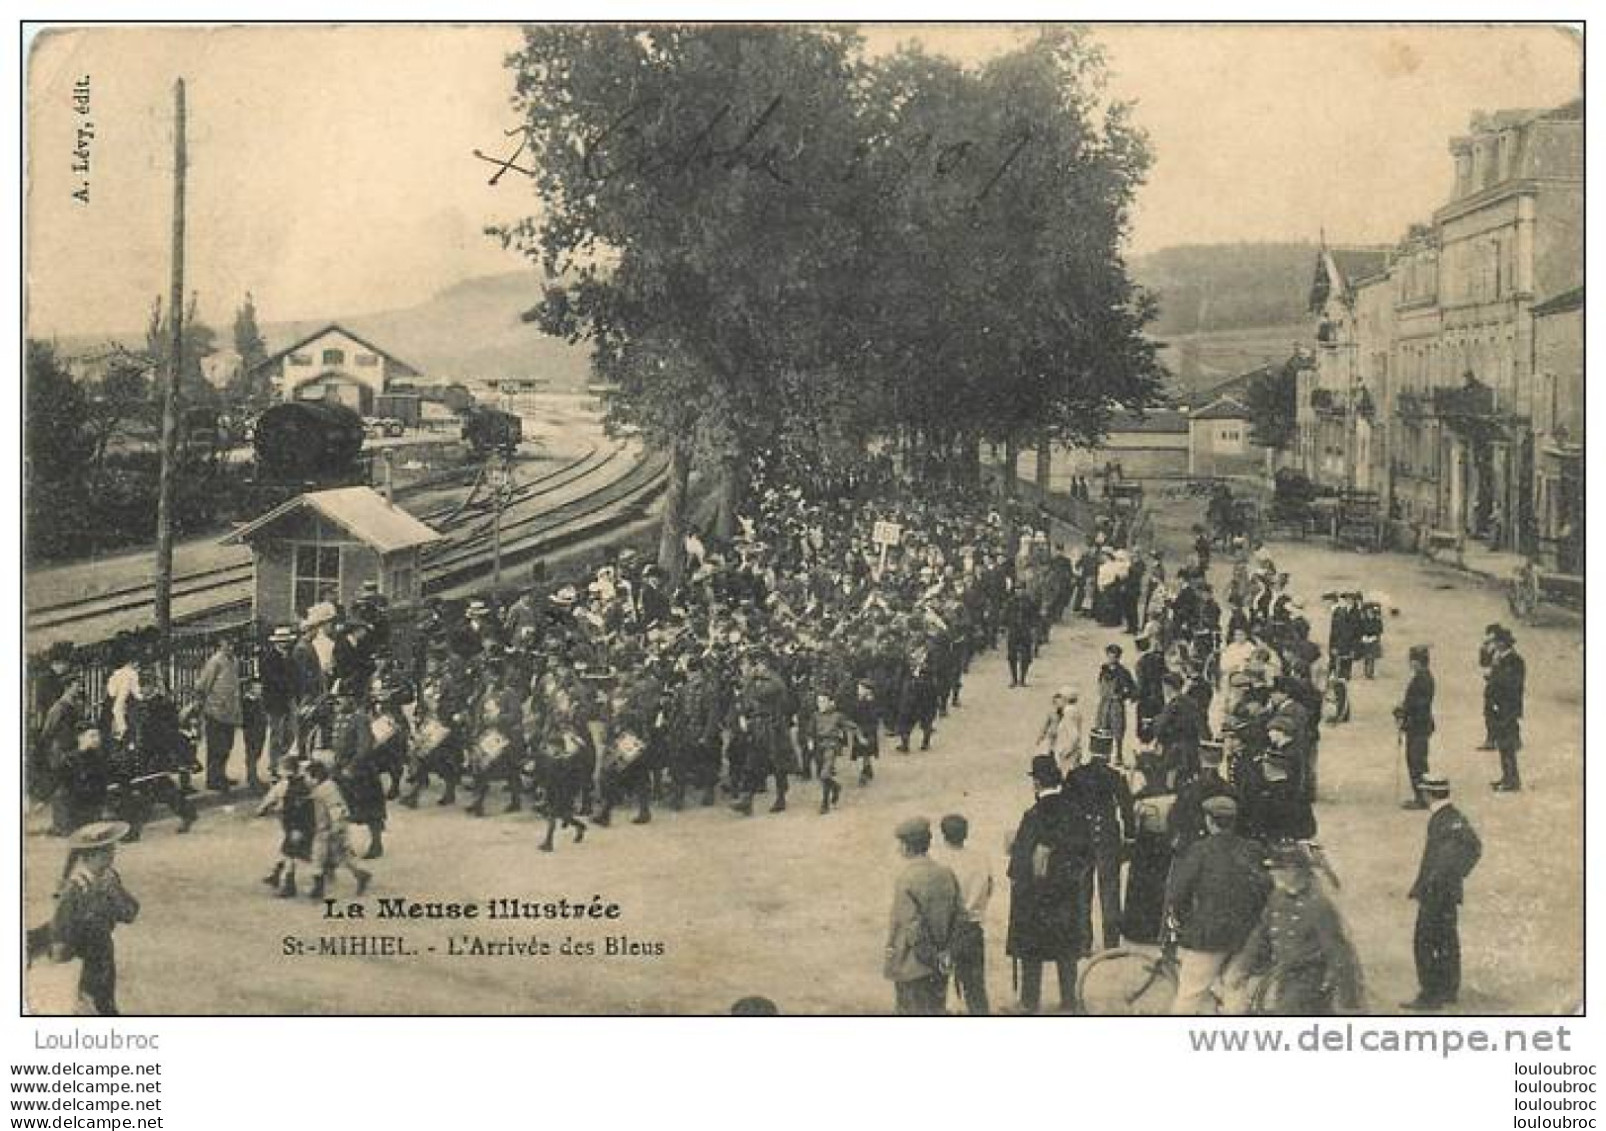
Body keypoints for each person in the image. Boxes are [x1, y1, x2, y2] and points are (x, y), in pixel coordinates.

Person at [1225, 841, 1364, 1015]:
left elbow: (1337, 950)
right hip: (1284, 975)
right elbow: (1260, 935)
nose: (1274, 873)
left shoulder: (1317, 904)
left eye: (1279, 869)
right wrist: (1241, 967)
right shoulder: (1278, 898)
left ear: (1294, 870)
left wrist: (1349, 1000)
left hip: (1311, 980)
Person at [1164, 795, 1270, 1014]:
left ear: (1209, 821)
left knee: (1190, 993)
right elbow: (1263, 890)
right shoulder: (1252, 849)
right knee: (1235, 987)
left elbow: (1177, 894)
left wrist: (1184, 924)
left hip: (1209, 934)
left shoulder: (1199, 850)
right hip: (1244, 935)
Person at [1004, 756, 1090, 1014]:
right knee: (1066, 952)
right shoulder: (1075, 811)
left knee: (1032, 950)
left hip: (1036, 898)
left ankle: (1030, 1002)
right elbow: (1086, 854)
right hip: (1066, 894)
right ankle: (1069, 1001)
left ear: (1038, 783)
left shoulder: (1033, 815)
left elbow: (1019, 864)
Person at [44, 821, 140, 1015]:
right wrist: (61, 966)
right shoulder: (76, 888)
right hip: (80, 958)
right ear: (90, 857)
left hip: (104, 951)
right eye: (106, 852)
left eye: (111, 850)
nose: (112, 856)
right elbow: (60, 931)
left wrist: (113, 893)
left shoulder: (110, 878)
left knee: (105, 1002)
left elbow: (130, 913)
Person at [1403, 776, 1481, 1010]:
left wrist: (1436, 879)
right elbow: (1475, 847)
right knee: (1447, 939)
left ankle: (1430, 993)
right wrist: (1459, 874)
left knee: (1425, 941)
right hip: (1448, 891)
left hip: (1435, 891)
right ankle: (1448, 988)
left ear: (1428, 794)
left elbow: (1442, 858)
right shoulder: (1455, 817)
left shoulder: (1439, 821)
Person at [884, 817, 963, 1015]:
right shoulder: (946, 874)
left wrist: (929, 956)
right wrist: (944, 955)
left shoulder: (907, 879)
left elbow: (912, 927)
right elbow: (959, 917)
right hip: (940, 963)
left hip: (913, 965)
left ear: (907, 847)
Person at [1065, 735, 1134, 953]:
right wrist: (1130, 837)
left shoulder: (1076, 775)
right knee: (1110, 889)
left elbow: (1067, 806)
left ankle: (1083, 942)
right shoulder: (1115, 777)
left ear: (1091, 747)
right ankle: (1111, 942)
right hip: (1107, 835)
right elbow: (1127, 809)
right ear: (1110, 750)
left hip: (1082, 836)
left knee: (1082, 889)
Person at [935, 813, 994, 1015]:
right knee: (975, 987)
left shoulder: (938, 861)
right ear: (966, 834)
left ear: (943, 835)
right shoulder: (980, 859)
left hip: (946, 930)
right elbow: (989, 887)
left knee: (940, 985)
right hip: (972, 927)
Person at [256, 755, 315, 897]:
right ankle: (278, 876)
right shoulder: (301, 783)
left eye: (281, 769)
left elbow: (271, 798)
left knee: (290, 854)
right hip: (294, 825)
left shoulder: (291, 786)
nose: (278, 772)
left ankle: (289, 885)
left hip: (295, 825)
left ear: (287, 771)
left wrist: (262, 809)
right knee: (288, 852)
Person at [194, 636, 242, 793]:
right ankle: (213, 779)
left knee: (227, 746)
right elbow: (203, 685)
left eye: (233, 643)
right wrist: (205, 704)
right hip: (215, 711)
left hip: (230, 711)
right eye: (228, 643)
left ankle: (221, 775)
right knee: (216, 746)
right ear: (220, 644)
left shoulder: (234, 661)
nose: (231, 646)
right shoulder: (215, 661)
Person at [1485, 626, 1526, 792]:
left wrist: (1494, 676)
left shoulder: (1514, 661)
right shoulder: (1501, 658)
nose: (1494, 645)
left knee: (1507, 744)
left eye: (1496, 642)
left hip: (1507, 709)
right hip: (1500, 707)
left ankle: (1512, 780)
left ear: (1503, 643)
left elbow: (1511, 685)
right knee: (1502, 745)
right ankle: (1506, 777)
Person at [1395, 644, 1436, 808]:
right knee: (1415, 760)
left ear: (1417, 661)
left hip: (1418, 725)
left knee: (1416, 761)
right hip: (1417, 724)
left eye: (1411, 660)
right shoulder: (1422, 676)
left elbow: (1419, 703)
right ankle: (1421, 795)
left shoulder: (1423, 679)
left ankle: (1422, 797)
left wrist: (1403, 710)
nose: (1409, 664)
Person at [1094, 644, 1137, 764]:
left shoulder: (1123, 672)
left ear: (1118, 657)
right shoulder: (1103, 670)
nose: (1111, 659)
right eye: (1109, 656)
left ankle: (1118, 755)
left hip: (1116, 704)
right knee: (1102, 729)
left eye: (1114, 656)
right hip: (1104, 703)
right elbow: (1100, 685)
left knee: (1118, 730)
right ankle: (1104, 755)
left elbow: (1133, 689)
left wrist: (1123, 695)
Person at [1036, 686, 1083, 776]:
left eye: (1059, 697)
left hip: (1068, 754)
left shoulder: (1069, 712)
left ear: (1065, 699)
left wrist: (1066, 751)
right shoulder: (1072, 710)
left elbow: (1074, 736)